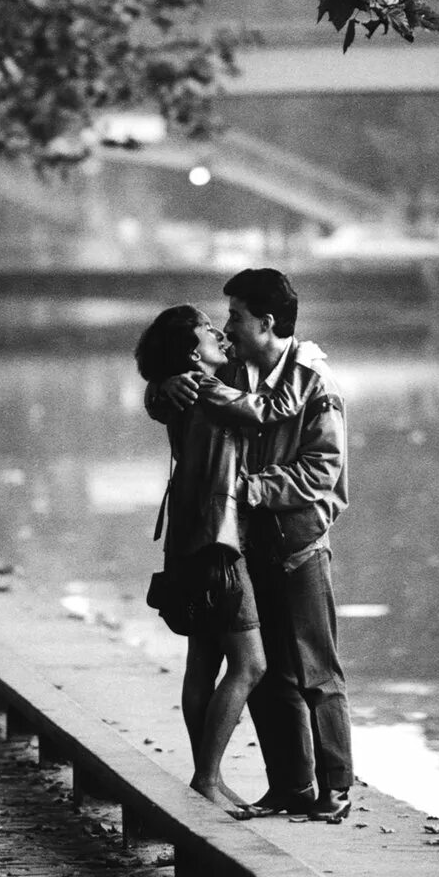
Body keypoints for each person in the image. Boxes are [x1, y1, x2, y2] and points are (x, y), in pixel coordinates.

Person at [151, 268, 354, 823]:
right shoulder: (232, 368)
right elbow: (175, 384)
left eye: (235, 317)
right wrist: (160, 388)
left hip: (298, 544)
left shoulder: (315, 383)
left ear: (265, 323)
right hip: (239, 547)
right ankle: (290, 786)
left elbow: (323, 474)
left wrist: (247, 490)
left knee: (316, 670)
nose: (227, 327)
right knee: (268, 679)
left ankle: (336, 786)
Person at [134, 304, 308, 816]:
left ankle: (207, 778)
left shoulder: (185, 387)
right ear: (193, 350)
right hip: (217, 539)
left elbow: (165, 399)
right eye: (209, 329)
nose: (219, 332)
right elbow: (263, 411)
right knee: (250, 663)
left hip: (189, 540)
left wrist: (157, 388)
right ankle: (206, 777)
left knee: (203, 661)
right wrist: (302, 364)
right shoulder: (205, 387)